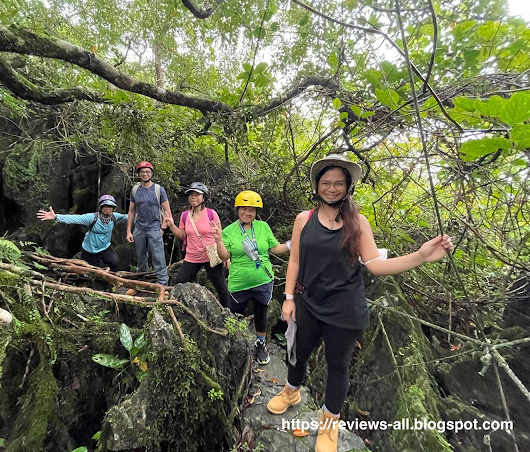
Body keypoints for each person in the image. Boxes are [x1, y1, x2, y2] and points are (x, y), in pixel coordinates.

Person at [266, 154, 454, 452]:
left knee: (337, 365)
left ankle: (330, 423)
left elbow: (375, 265)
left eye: (338, 183)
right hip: (309, 302)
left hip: (345, 308)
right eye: (325, 183)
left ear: (348, 187)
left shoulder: (358, 223)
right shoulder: (304, 219)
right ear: (316, 186)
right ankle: (291, 391)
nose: (331, 188)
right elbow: (295, 260)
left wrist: (420, 256)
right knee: (298, 352)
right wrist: (288, 298)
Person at [215, 190, 290, 365]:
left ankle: (260, 344)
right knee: (235, 314)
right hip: (238, 282)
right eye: (244, 209)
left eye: (252, 210)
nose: (247, 213)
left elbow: (273, 248)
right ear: (237, 209)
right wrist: (218, 240)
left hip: (263, 279)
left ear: (256, 212)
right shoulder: (228, 231)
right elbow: (224, 257)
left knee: (261, 313)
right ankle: (235, 344)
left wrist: (290, 245)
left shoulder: (263, 227)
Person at [164, 182, 229, 306]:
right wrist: (171, 226)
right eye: (191, 194)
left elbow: (221, 236)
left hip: (211, 256)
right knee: (179, 283)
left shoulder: (211, 214)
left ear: (204, 197)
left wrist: (226, 256)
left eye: (197, 194)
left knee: (221, 286)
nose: (193, 197)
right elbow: (183, 235)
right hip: (192, 257)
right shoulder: (185, 216)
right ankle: (178, 308)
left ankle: (228, 315)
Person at [37, 195, 128, 271]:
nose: (108, 208)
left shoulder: (115, 217)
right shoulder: (92, 218)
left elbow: (128, 217)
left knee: (114, 261)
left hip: (105, 247)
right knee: (92, 271)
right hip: (91, 250)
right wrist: (56, 217)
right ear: (101, 207)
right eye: (105, 206)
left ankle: (113, 283)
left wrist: (140, 214)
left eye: (110, 206)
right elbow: (76, 219)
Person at [126, 161, 172, 286]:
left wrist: (163, 228)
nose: (145, 174)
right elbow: (131, 211)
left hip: (155, 228)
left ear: (151, 173)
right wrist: (129, 231)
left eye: (147, 172)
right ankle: (141, 283)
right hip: (139, 228)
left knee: (158, 258)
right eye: (142, 172)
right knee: (140, 258)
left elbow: (167, 211)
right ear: (138, 174)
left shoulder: (158, 190)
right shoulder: (135, 190)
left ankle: (163, 285)